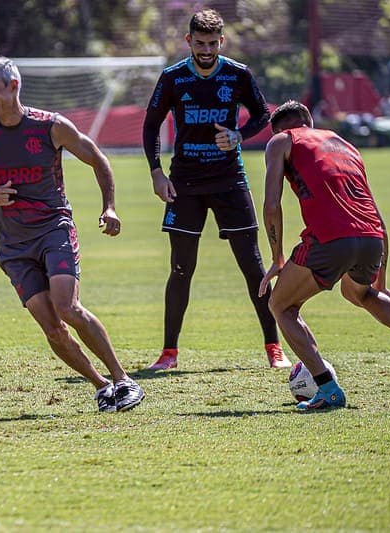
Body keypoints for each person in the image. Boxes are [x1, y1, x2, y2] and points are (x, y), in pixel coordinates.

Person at [0, 55, 144, 413]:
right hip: (13, 246)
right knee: (52, 327)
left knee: (67, 307)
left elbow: (98, 159)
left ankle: (124, 379)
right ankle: (102, 387)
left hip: (53, 229)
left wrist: (109, 206)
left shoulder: (51, 126)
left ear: (14, 86)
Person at [259, 100, 390, 411]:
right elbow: (377, 217)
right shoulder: (345, 145)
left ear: (283, 129)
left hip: (330, 239)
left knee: (281, 305)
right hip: (371, 238)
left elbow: (271, 205)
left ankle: (327, 388)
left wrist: (277, 257)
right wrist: (383, 281)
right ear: (310, 122)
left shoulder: (282, 140)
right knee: (361, 293)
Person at [142, 9, 290, 371]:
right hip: (186, 184)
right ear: (188, 40)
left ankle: (274, 347)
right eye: (199, 42)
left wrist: (239, 135)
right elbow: (150, 126)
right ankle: (169, 354)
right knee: (181, 268)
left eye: (212, 43)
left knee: (253, 267)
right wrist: (157, 173)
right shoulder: (173, 78)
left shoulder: (238, 74)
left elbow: (263, 116)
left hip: (230, 181)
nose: (206, 49)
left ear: (221, 42)